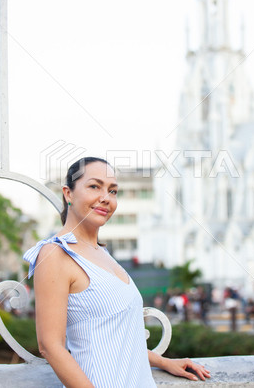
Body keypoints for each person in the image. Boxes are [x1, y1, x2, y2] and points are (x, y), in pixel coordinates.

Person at [23, 157, 210, 388]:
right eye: (94, 186)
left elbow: (118, 337)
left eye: (113, 191)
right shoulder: (56, 254)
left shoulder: (103, 254)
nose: (106, 198)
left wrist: (162, 361)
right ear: (68, 193)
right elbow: (50, 346)